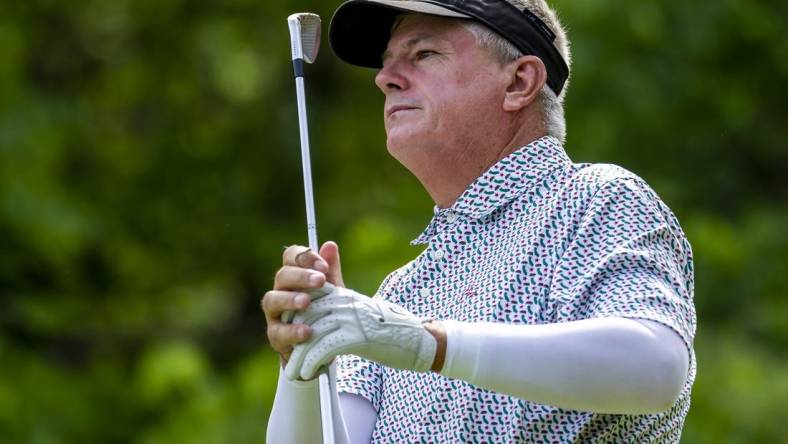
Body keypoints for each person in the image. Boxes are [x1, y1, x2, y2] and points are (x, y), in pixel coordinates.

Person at [264, 0, 696, 442]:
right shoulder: (401, 292)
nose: (383, 78)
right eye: (387, 62)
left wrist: (428, 344)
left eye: (424, 54)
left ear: (519, 82)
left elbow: (657, 367)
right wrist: (303, 363)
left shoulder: (595, 198)